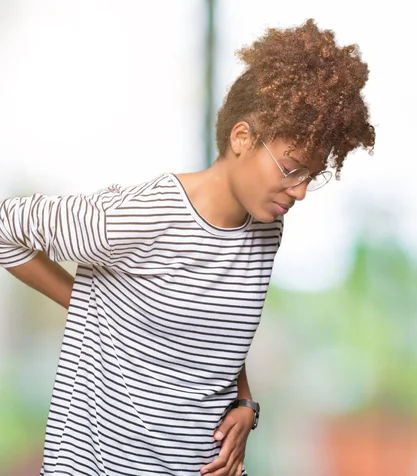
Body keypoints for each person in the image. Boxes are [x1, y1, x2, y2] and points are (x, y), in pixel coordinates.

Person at [0, 18, 375, 476]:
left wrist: (245, 402)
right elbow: (6, 228)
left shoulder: (264, 231)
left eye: (310, 178)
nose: (298, 192)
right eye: (292, 168)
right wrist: (84, 303)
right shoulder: (144, 214)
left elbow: (215, 338)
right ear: (242, 138)